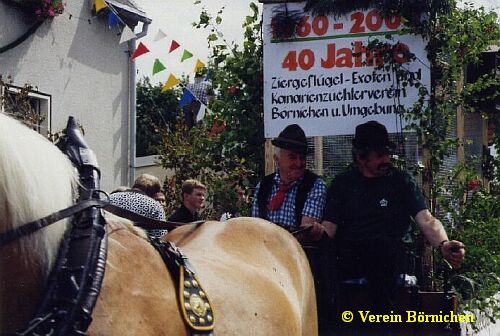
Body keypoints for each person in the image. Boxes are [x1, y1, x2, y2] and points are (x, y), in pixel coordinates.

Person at [321, 121, 465, 316]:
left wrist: (443, 244)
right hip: (354, 259)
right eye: (380, 155)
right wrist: (314, 236)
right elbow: (328, 228)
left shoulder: (401, 181)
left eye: (388, 153)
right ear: (361, 157)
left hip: (392, 259)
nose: (387, 159)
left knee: (384, 250)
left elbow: (426, 220)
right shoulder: (342, 184)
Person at [252, 124, 327, 241]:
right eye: (292, 157)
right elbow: (256, 228)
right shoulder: (263, 186)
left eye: (302, 158)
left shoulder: (315, 186)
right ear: (277, 160)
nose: (299, 163)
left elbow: (304, 232)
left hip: (298, 253)